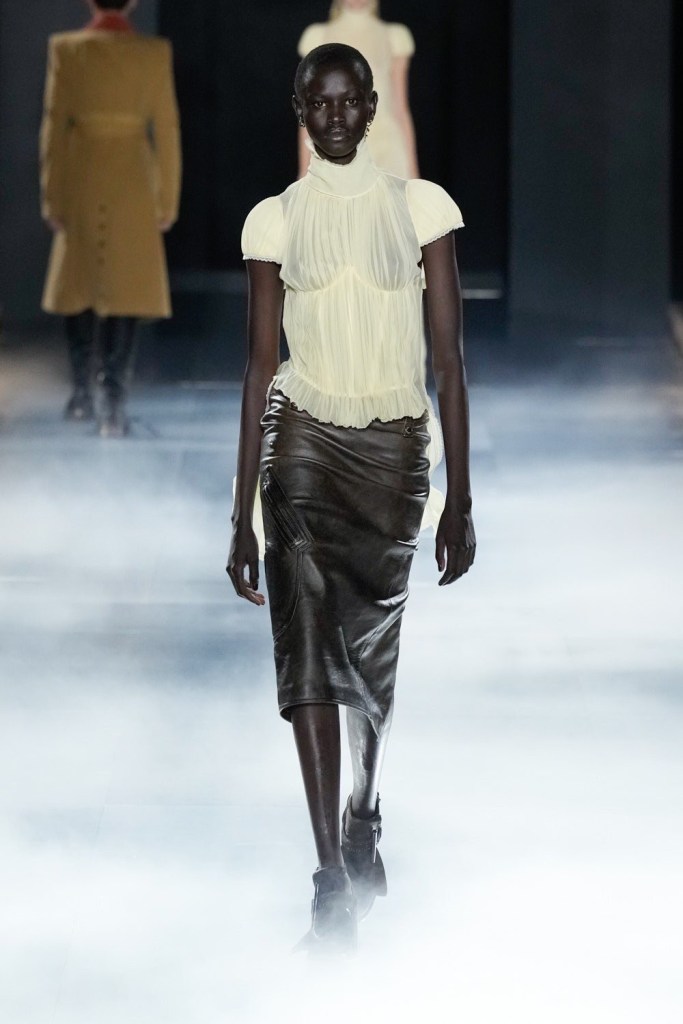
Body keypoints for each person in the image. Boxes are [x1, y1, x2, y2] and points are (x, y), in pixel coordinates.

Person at [227, 43, 475, 953]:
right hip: (300, 444)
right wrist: (241, 514)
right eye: (317, 103)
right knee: (305, 649)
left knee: (371, 659)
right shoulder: (274, 221)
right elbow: (260, 369)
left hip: (393, 455)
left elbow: (447, 360)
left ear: (370, 108)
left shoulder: (420, 208)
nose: (333, 117)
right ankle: (329, 877)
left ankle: (364, 811)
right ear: (300, 111)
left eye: (347, 102)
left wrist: (459, 496)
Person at [39, 0, 181, 437]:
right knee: (126, 283)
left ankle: (82, 392)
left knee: (79, 278)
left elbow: (54, 126)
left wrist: (52, 196)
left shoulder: (67, 50)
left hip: (82, 169)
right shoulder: (152, 53)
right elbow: (168, 129)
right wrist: (167, 200)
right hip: (132, 175)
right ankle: (113, 399)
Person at [297, 0, 419, 179]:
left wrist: (413, 173)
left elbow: (400, 108)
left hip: (387, 149)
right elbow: (310, 108)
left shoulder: (394, 36)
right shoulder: (317, 36)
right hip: (336, 143)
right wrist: (304, 171)